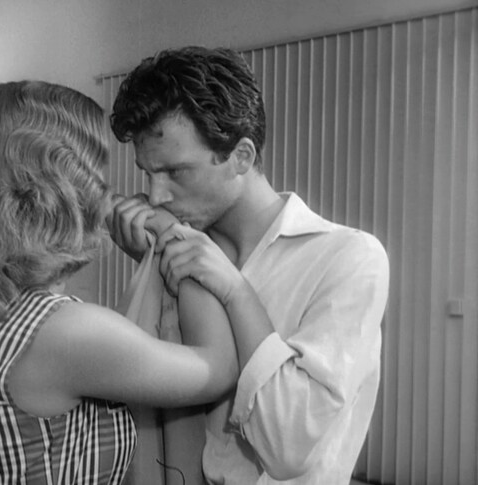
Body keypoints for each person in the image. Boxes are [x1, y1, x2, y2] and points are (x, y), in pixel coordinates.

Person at [108, 46, 390, 484]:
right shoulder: (178, 248)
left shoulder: (349, 258)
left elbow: (288, 448)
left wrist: (237, 292)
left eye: (176, 173)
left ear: (241, 156)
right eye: (149, 174)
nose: (157, 195)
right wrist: (154, 276)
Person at [0, 80, 238, 484]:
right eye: (99, 174)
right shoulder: (65, 332)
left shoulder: (2, 315)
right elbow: (219, 368)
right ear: (71, 189)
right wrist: (177, 237)